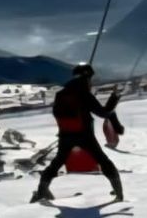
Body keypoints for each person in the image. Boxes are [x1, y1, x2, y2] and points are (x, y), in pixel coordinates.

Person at [32, 64, 126, 204]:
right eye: (91, 78)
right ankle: (119, 194)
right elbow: (103, 113)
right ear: (87, 77)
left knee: (56, 163)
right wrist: (115, 97)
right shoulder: (84, 93)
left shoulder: (61, 94)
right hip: (84, 135)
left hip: (65, 135)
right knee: (103, 160)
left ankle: (41, 192)